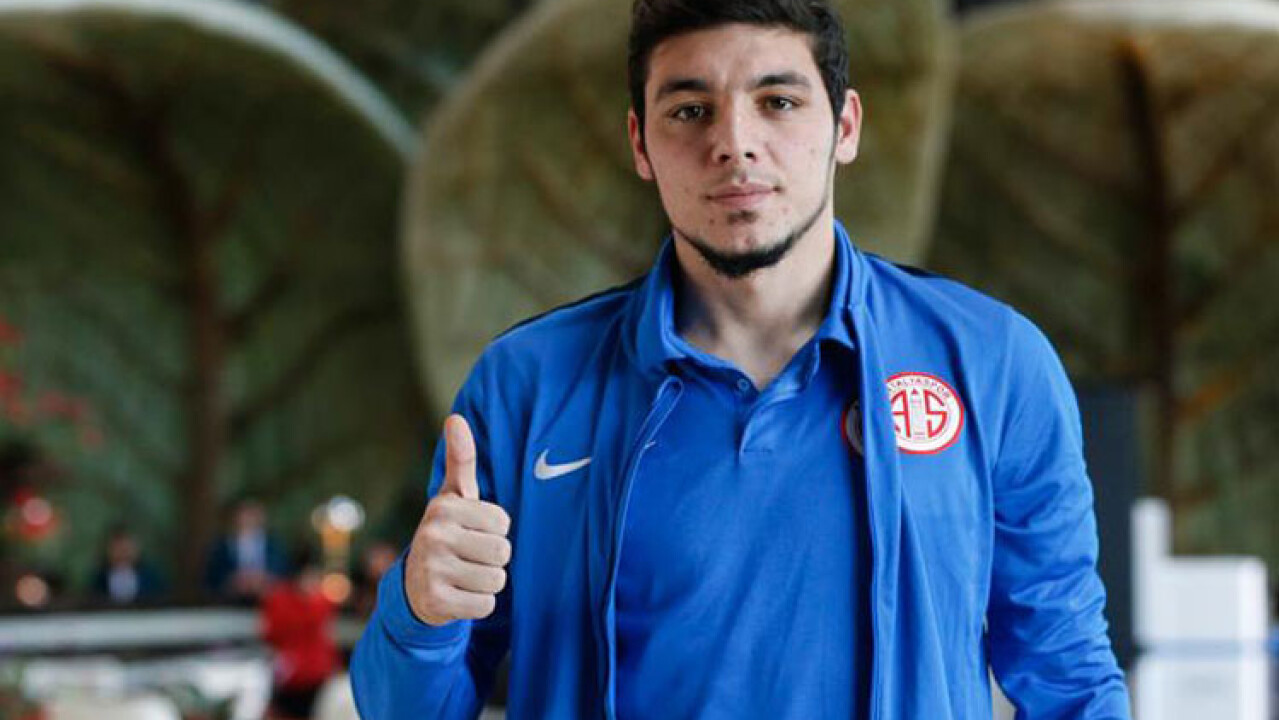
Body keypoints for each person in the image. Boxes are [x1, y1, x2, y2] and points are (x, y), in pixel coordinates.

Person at [351, 0, 1132, 717]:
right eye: (690, 110)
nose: (733, 143)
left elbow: (1069, 676)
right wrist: (421, 614)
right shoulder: (529, 384)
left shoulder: (993, 363)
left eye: (778, 102)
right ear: (641, 143)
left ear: (846, 126)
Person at [260, 551, 340, 720]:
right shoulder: (280, 600)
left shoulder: (322, 602)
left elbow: (326, 637)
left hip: (316, 674)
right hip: (289, 674)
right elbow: (271, 634)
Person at [203, 498, 289, 604]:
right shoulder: (220, 546)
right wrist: (232, 582)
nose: (248, 519)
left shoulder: (276, 545)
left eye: (253, 514)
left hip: (269, 602)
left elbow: (285, 572)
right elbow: (211, 578)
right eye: (245, 514)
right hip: (230, 604)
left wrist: (266, 580)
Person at [90, 525, 166, 605]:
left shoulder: (152, 579)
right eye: (117, 549)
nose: (122, 554)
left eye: (126, 549)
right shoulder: (98, 581)